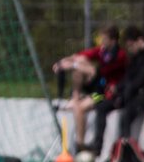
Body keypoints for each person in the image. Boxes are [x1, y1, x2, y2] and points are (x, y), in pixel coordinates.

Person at [52, 24, 127, 154]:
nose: (102, 42)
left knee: (81, 105)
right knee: (80, 62)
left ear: (113, 40)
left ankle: (82, 145)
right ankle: (80, 143)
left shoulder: (120, 55)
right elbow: (81, 55)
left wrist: (75, 65)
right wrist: (62, 62)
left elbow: (103, 71)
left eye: (104, 39)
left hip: (106, 95)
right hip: (98, 91)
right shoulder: (102, 51)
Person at [107, 26, 144, 143]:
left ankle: (125, 146)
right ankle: (98, 148)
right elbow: (129, 76)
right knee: (102, 105)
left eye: (130, 45)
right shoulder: (135, 57)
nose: (129, 49)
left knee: (126, 115)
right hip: (123, 92)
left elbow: (142, 77)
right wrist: (118, 88)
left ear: (139, 41)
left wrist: (125, 89)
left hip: (141, 93)